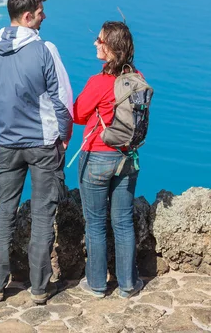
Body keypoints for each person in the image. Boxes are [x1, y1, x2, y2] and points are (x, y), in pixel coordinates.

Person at [0, 0, 73, 304]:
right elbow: (63, 101)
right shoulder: (46, 50)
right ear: (28, 17)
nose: (45, 17)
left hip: (7, 145)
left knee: (4, 212)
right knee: (43, 214)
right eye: (41, 13)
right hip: (44, 145)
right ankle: (40, 288)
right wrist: (64, 135)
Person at [73, 21, 144, 299]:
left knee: (95, 223)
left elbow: (78, 115)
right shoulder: (137, 77)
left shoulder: (99, 82)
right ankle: (128, 284)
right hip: (127, 158)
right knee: (124, 222)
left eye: (100, 40)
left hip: (97, 157)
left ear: (111, 48)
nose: (95, 43)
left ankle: (97, 284)